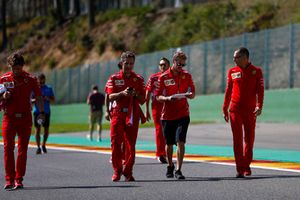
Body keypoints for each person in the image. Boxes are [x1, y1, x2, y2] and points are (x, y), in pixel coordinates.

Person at [0, 51, 44, 190]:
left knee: (22, 149)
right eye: (14, 68)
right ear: (10, 66)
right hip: (9, 118)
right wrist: (3, 96)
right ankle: (9, 179)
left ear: (23, 66)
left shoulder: (31, 79)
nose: (16, 71)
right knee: (8, 148)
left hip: (25, 118)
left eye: (18, 68)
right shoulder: (4, 79)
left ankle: (19, 179)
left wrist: (41, 113)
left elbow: (38, 97)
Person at [222, 47, 264, 178]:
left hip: (250, 111)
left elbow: (260, 91)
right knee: (237, 139)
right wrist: (224, 108)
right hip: (235, 110)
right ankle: (239, 169)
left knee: (249, 140)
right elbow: (228, 90)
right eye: (234, 57)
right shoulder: (232, 71)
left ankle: (246, 165)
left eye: (237, 57)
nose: (234, 59)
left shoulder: (256, 71)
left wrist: (259, 106)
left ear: (245, 57)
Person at [105, 51, 145, 182]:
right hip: (117, 113)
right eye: (126, 63)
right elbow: (110, 96)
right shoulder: (114, 78)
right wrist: (122, 93)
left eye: (131, 63)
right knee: (116, 143)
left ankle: (128, 172)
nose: (129, 66)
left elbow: (143, 99)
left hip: (133, 114)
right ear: (121, 63)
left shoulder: (138, 79)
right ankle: (117, 171)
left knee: (130, 144)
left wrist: (134, 94)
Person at [156, 51, 195, 180]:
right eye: (179, 64)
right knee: (169, 144)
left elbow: (193, 93)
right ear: (174, 61)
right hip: (167, 115)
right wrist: (167, 99)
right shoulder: (163, 77)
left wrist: (189, 95)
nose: (181, 67)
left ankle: (178, 170)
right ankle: (170, 165)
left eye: (183, 65)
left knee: (180, 141)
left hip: (183, 113)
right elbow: (158, 96)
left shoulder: (187, 76)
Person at [145, 57, 170, 164]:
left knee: (168, 130)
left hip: (169, 105)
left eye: (164, 64)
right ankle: (159, 154)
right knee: (159, 129)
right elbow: (147, 93)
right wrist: (146, 110)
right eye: (161, 65)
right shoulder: (154, 78)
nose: (162, 66)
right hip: (157, 106)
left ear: (169, 65)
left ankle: (166, 152)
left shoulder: (172, 76)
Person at [32, 73, 55, 154]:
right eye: (39, 80)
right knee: (37, 129)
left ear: (44, 80)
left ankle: (43, 144)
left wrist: (47, 98)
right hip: (37, 112)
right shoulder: (34, 89)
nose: (41, 82)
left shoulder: (49, 88)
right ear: (37, 80)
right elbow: (30, 100)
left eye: (42, 80)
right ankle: (38, 147)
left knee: (46, 130)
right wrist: (37, 99)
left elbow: (53, 100)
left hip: (46, 112)